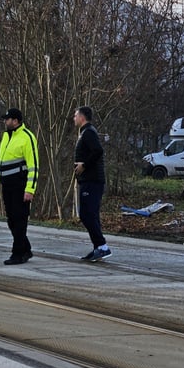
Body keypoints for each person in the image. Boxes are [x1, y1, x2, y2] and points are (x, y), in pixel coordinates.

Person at [0, 108, 39, 265]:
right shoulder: (6, 137)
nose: (5, 121)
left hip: (21, 186)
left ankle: (18, 253)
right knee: (11, 220)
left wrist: (30, 189)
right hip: (7, 185)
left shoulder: (27, 137)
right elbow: (1, 161)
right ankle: (25, 248)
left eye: (8, 119)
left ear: (16, 121)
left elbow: (34, 166)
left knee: (19, 220)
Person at [73, 106, 111, 262]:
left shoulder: (88, 133)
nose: (73, 118)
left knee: (86, 214)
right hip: (88, 180)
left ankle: (102, 246)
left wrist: (84, 165)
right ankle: (98, 248)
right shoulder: (85, 132)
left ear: (82, 117)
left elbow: (98, 151)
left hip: (92, 180)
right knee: (91, 214)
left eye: (75, 115)